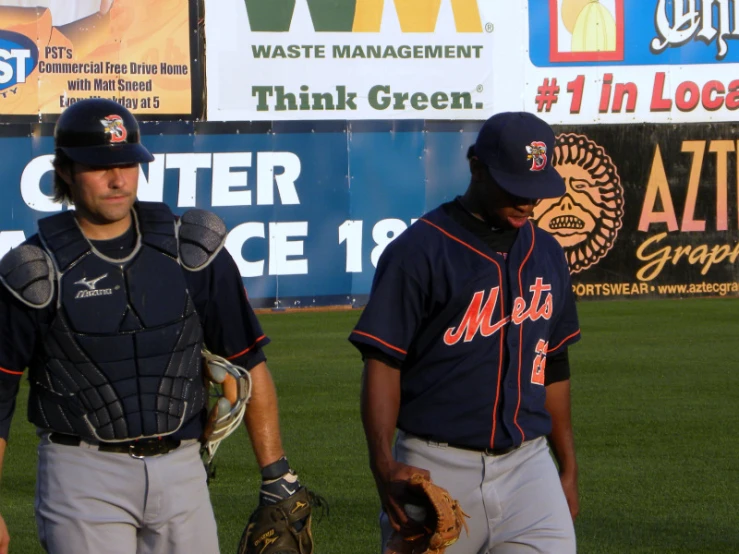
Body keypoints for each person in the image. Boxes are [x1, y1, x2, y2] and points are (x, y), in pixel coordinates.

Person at [0, 98, 304, 554]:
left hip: (182, 468)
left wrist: (276, 472)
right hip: (81, 473)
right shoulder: (35, 270)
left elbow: (247, 360)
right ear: (64, 171)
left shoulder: (191, 251)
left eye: (127, 163)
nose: (118, 178)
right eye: (99, 166)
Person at [350, 112, 581, 553]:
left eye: (536, 191)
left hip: (529, 468)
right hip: (434, 465)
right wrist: (383, 463)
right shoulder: (419, 251)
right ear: (476, 167)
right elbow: (383, 362)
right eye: (515, 186)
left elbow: (553, 364)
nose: (528, 202)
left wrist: (567, 468)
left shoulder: (547, 253)